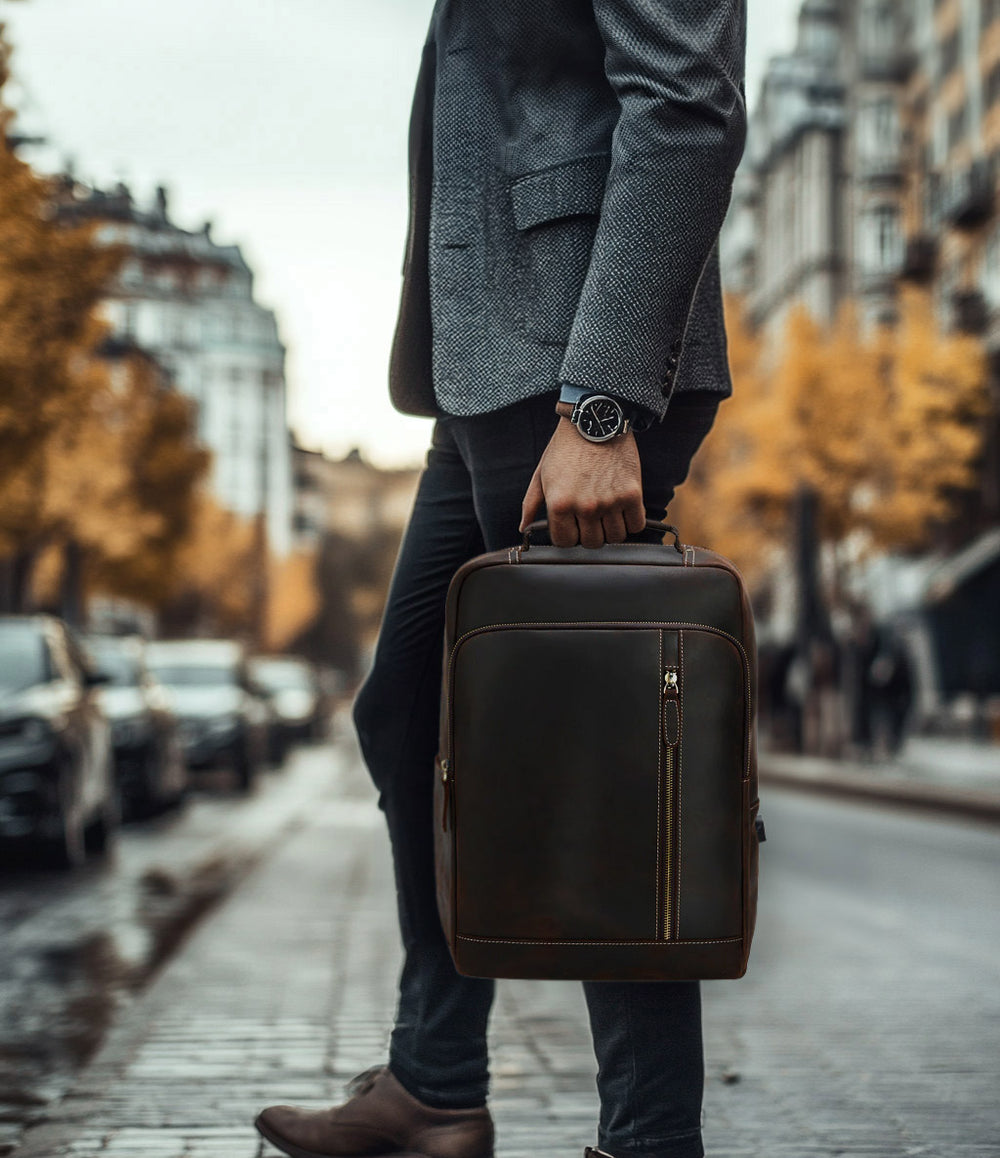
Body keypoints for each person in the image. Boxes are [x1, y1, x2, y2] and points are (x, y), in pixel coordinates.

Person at [256, 3, 747, 1157]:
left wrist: (602, 402)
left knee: (588, 761)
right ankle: (433, 1084)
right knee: (404, 715)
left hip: (570, 360)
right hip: (483, 363)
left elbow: (686, 103)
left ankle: (649, 1140)